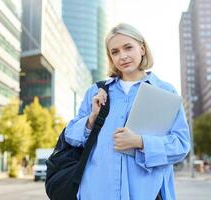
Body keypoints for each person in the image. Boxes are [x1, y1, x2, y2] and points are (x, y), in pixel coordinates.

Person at [65, 23, 191, 200]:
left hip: (146, 193)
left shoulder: (165, 92)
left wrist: (140, 142)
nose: (122, 56)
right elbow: (71, 136)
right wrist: (92, 117)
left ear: (142, 48)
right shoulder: (96, 92)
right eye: (115, 52)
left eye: (128, 47)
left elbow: (181, 145)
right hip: (97, 192)